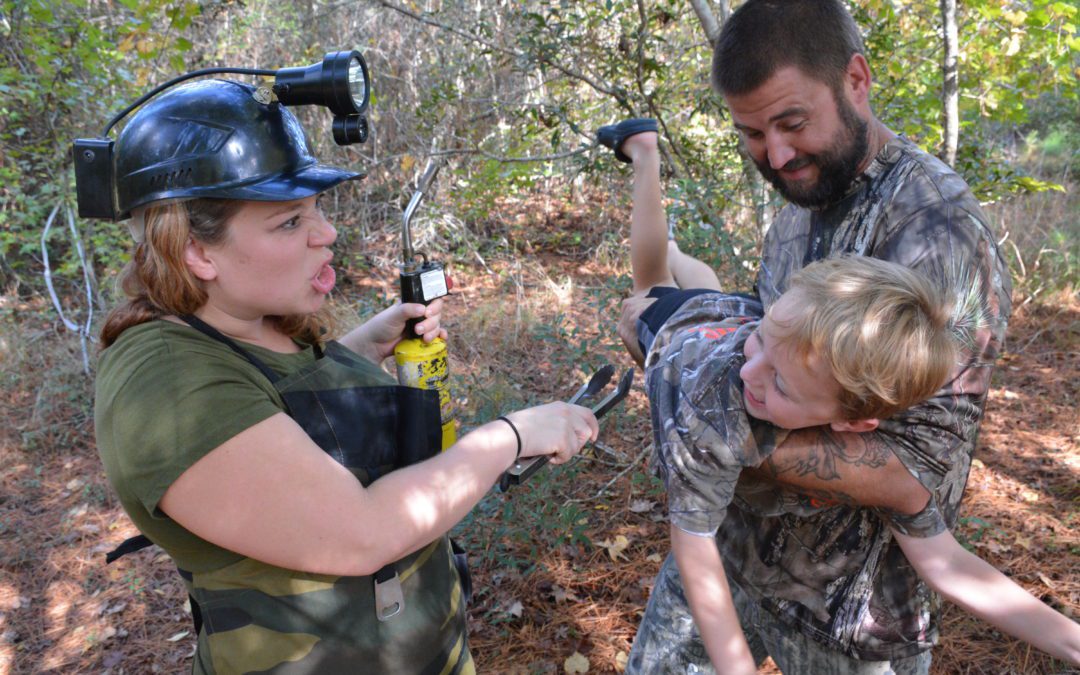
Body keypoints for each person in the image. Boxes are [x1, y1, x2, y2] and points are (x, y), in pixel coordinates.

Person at [93, 78, 599, 674]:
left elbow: (277, 409)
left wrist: (363, 348)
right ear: (195, 253)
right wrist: (509, 437)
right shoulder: (164, 378)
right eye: (288, 222)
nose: (326, 234)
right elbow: (359, 534)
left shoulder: (252, 322)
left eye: (317, 211)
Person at [603, 0, 1016, 672]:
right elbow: (776, 339)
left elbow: (919, 467)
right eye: (753, 133)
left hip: (851, 618)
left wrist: (703, 414)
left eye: (792, 123)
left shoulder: (938, 230)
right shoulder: (803, 191)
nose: (777, 153)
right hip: (730, 551)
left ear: (857, 79)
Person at [616, 155, 1080, 672]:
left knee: (712, 296)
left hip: (736, 322)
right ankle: (649, 160)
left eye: (783, 386)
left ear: (854, 424)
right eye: (765, 346)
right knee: (650, 285)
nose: (754, 376)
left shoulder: (797, 355)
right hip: (679, 333)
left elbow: (947, 565)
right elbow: (697, 558)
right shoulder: (717, 407)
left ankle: (697, 271)